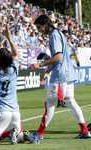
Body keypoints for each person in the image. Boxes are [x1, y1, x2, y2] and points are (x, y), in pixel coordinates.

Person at [29, 14, 91, 144]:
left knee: (50, 104)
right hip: (68, 73)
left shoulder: (54, 36)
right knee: (70, 101)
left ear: (45, 24)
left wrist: (40, 64)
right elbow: (61, 58)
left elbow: (58, 57)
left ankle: (39, 134)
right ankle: (85, 130)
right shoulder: (60, 34)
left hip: (60, 75)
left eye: (39, 27)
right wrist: (48, 70)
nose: (39, 30)